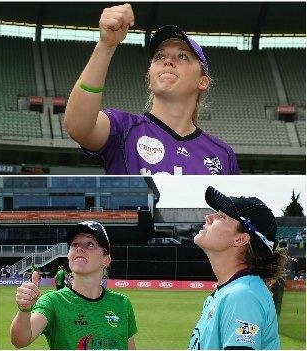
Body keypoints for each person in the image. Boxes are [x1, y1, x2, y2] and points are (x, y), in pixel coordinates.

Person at [64, 4, 239, 175]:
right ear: (150, 79)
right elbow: (77, 127)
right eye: (159, 56)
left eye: (183, 56)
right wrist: (106, 45)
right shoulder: (124, 128)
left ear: (202, 82)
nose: (168, 61)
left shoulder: (222, 155)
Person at [188, 186, 289, 349]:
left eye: (221, 216)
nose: (208, 217)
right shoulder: (230, 293)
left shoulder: (242, 297)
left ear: (240, 240)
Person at [11, 221, 137, 349]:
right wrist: (25, 310)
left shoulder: (122, 303)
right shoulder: (52, 302)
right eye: (74, 244)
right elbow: (20, 340)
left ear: (106, 259)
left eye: (90, 244)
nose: (79, 248)